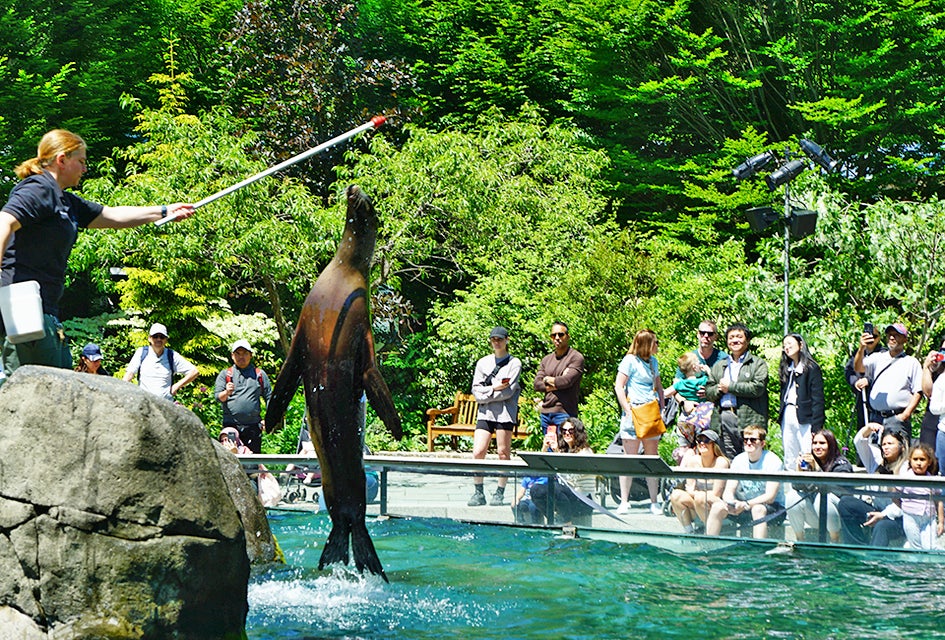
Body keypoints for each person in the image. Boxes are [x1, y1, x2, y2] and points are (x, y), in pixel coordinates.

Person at [0, 129, 194, 382]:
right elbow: (4, 221)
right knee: (31, 390)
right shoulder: (39, 188)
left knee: (57, 384)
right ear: (62, 159)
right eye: (80, 161)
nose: (84, 169)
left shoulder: (66, 201)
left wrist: (166, 210)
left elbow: (113, 216)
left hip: (46, 310)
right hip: (22, 306)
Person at [468, 326, 522, 507]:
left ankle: (500, 492)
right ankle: (478, 491)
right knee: (478, 451)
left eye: (500, 339)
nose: (496, 342)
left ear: (507, 340)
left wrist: (488, 391)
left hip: (505, 413)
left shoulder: (515, 363)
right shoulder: (482, 363)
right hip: (485, 412)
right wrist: (493, 388)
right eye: (493, 339)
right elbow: (476, 390)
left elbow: (508, 391)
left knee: (503, 453)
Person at [613, 329, 665, 516]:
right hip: (633, 412)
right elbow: (619, 385)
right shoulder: (630, 361)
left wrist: (662, 406)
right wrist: (626, 408)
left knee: (651, 458)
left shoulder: (653, 362)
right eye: (655, 342)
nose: (657, 345)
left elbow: (658, 385)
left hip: (650, 412)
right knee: (630, 458)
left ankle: (654, 501)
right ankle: (625, 501)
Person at [836, 423, 910, 547]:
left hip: (898, 519)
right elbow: (859, 441)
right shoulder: (876, 462)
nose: (886, 447)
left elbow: (905, 504)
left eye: (890, 444)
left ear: (901, 447)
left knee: (882, 526)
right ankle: (856, 547)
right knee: (846, 502)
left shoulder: (907, 468)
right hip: (877, 511)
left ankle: (875, 562)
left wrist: (883, 515)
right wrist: (868, 428)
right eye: (884, 444)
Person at [705, 425, 784, 539]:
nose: (748, 443)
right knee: (718, 506)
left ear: (762, 443)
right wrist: (732, 503)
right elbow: (728, 491)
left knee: (758, 509)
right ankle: (708, 546)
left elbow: (770, 497)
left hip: (774, 510)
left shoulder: (773, 461)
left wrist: (747, 504)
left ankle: (758, 550)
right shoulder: (738, 460)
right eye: (745, 440)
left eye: (753, 440)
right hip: (744, 506)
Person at [705, 323, 769, 460]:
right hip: (725, 417)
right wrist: (719, 389)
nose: (735, 340)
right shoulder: (719, 365)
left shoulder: (757, 364)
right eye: (731, 337)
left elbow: (758, 388)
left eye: (739, 337)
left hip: (750, 418)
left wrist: (731, 387)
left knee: (751, 457)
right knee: (729, 458)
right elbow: (708, 392)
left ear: (747, 340)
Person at [784, 429, 853, 542]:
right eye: (815, 443)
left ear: (831, 445)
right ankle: (800, 541)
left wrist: (817, 470)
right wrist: (799, 471)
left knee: (823, 497)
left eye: (822, 443)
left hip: (839, 517)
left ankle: (835, 541)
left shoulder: (841, 464)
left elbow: (837, 489)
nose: (817, 447)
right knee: (792, 496)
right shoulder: (810, 461)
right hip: (816, 515)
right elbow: (797, 487)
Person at [853, 323, 922, 433]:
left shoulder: (911, 362)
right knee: (874, 449)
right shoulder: (877, 357)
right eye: (889, 335)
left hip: (897, 418)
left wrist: (905, 415)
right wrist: (861, 348)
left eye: (896, 335)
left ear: (905, 339)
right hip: (875, 418)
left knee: (897, 450)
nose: (891, 338)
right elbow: (858, 368)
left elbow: (918, 391)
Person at [530, 417, 596, 524]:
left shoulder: (585, 452)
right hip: (565, 496)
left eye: (570, 431)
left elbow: (571, 477)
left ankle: (566, 523)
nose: (567, 434)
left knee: (555, 488)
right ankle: (554, 518)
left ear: (578, 432)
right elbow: (542, 468)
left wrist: (557, 453)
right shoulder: (565, 451)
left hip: (583, 498)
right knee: (536, 489)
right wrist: (545, 448)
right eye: (564, 431)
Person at [214, 339, 272, 454]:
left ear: (250, 355)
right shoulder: (226, 374)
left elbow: (269, 397)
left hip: (253, 426)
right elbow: (218, 397)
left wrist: (269, 419)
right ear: (232, 356)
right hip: (231, 426)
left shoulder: (259, 374)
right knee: (231, 458)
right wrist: (226, 392)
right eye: (238, 354)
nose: (241, 357)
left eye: (245, 353)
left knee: (253, 462)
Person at [778, 333, 825, 471]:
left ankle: (809, 485)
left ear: (801, 345)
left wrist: (816, 426)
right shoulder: (787, 368)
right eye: (784, 345)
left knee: (807, 452)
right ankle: (793, 484)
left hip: (805, 416)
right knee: (790, 452)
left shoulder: (811, 368)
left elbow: (818, 399)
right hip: (788, 413)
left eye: (790, 344)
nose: (787, 347)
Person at [669, 429, 729, 533]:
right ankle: (689, 532)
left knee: (701, 497)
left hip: (718, 507)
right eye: (699, 440)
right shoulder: (693, 461)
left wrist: (697, 494)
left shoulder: (721, 462)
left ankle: (709, 532)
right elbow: (689, 489)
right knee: (676, 495)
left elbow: (716, 494)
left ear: (714, 445)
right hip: (698, 503)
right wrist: (697, 494)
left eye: (706, 440)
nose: (702, 443)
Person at [533, 321, 585, 437]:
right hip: (546, 413)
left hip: (565, 412)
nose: (557, 338)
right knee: (549, 449)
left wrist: (547, 379)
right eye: (553, 335)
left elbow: (567, 381)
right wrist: (556, 382)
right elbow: (537, 385)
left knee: (563, 450)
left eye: (561, 335)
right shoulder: (546, 360)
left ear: (568, 336)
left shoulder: (576, 357)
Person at [123, 323, 199, 401]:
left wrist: (176, 386)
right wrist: (121, 391)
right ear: (149, 338)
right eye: (155, 336)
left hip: (166, 405)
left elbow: (194, 371)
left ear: (166, 340)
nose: (158, 339)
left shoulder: (172, 355)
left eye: (162, 337)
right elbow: (129, 374)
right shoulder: (142, 352)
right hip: (145, 403)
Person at [665, 352, 713, 463]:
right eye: (698, 362)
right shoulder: (703, 380)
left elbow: (665, 393)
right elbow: (715, 382)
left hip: (685, 420)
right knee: (702, 450)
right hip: (701, 421)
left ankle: (683, 472)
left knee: (684, 449)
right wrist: (708, 371)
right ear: (694, 367)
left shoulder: (680, 384)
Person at [898, 443, 943, 549]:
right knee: (915, 546)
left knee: (929, 546)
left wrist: (941, 522)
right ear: (910, 460)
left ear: (929, 462)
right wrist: (904, 508)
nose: (918, 463)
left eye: (922, 459)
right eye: (915, 459)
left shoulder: (932, 479)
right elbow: (895, 495)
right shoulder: (905, 477)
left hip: (929, 519)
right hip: (910, 517)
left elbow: (939, 501)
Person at [845, 324, 885, 434]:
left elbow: (884, 375)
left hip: (877, 402)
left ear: (879, 338)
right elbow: (849, 371)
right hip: (861, 399)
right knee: (862, 433)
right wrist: (855, 382)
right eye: (868, 336)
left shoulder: (884, 354)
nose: (871, 339)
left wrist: (868, 380)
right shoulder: (857, 353)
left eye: (874, 337)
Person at [921, 346, 945, 474]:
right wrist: (927, 367)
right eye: (943, 350)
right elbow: (929, 394)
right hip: (940, 426)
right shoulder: (940, 378)